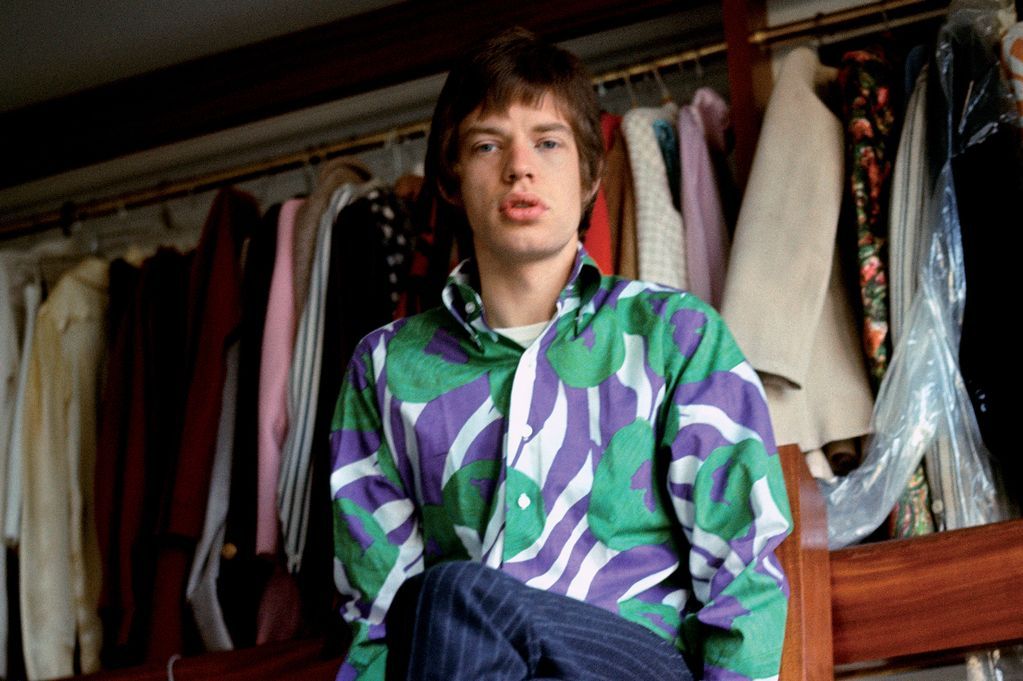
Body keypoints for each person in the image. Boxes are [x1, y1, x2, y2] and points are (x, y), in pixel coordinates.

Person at [329, 27, 792, 681]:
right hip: (463, 661)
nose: (520, 166)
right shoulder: (383, 369)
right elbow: (374, 615)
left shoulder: (673, 335)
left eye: (546, 142)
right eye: (488, 144)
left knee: (452, 596)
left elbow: (741, 567)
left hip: (630, 664)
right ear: (451, 178)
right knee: (440, 608)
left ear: (589, 176)